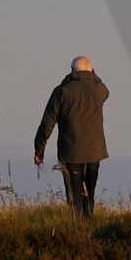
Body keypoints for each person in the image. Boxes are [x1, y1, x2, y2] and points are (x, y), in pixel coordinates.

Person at [33, 56, 110, 219]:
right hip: (95, 151)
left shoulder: (62, 91)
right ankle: (89, 227)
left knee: (74, 196)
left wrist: (39, 150)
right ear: (92, 71)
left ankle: (76, 227)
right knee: (89, 194)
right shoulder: (99, 89)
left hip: (70, 151)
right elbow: (104, 89)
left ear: (71, 72)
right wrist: (93, 76)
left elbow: (47, 122)